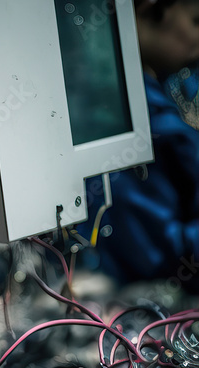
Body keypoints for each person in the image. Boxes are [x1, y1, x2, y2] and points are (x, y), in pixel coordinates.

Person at [88, 0, 199, 291]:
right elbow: (157, 251)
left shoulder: (165, 90)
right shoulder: (129, 114)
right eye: (196, 21)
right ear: (152, 8)